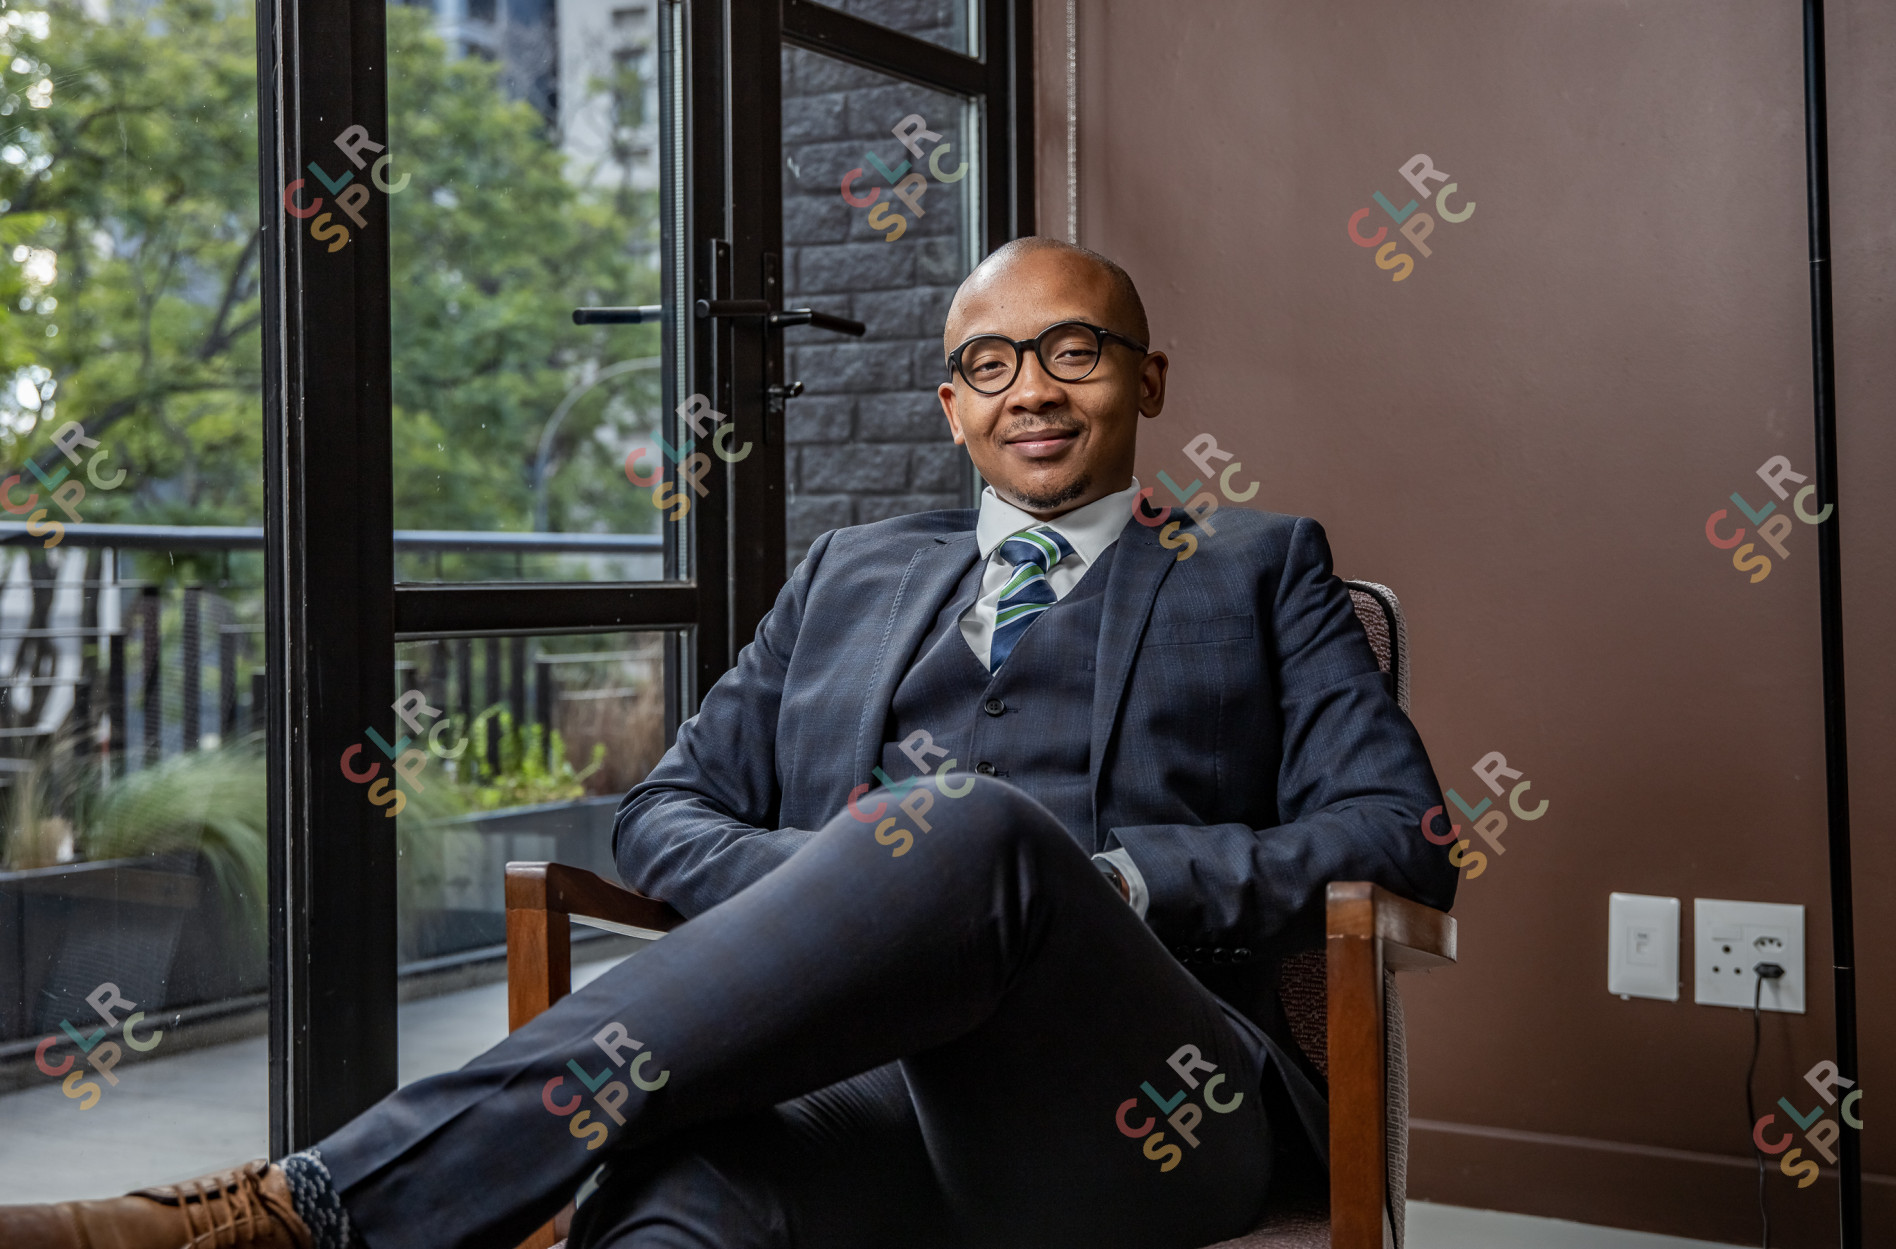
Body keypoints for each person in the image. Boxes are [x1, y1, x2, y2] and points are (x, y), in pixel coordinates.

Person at [0, 238, 1455, 1249]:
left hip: (1141, 1107)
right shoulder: (849, 572)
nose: (1033, 387)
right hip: (859, 1090)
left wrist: (1121, 879)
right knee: (678, 1187)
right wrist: (867, 876)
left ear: (1147, 379)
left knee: (970, 824)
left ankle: (307, 1212)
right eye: (992, 361)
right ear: (950, 406)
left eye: (1074, 349)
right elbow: (665, 813)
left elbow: (1405, 834)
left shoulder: (1257, 566)